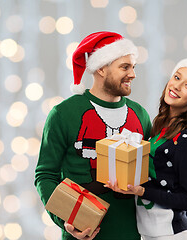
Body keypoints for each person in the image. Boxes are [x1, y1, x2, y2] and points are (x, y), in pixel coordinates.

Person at [34, 31, 151, 240]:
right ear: (101, 68)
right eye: (125, 67)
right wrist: (66, 221)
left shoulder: (140, 115)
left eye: (133, 67)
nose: (133, 74)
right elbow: (45, 175)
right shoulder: (63, 114)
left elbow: (150, 174)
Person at [105, 57, 187, 240]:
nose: (177, 86)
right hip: (150, 233)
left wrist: (142, 191)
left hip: (173, 235)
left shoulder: (186, 139)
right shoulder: (160, 126)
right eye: (177, 78)